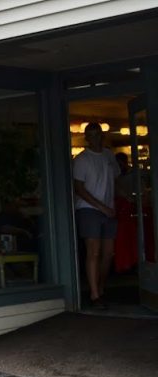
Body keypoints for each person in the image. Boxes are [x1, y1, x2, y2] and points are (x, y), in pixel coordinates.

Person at [72, 122, 119, 309]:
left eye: (98, 134)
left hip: (108, 208)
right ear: (86, 138)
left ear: (102, 136)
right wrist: (101, 206)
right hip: (88, 208)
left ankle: (100, 287)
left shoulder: (109, 155)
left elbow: (115, 179)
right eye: (91, 135)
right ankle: (94, 294)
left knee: (108, 253)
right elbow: (79, 189)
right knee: (94, 251)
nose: (95, 138)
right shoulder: (82, 159)